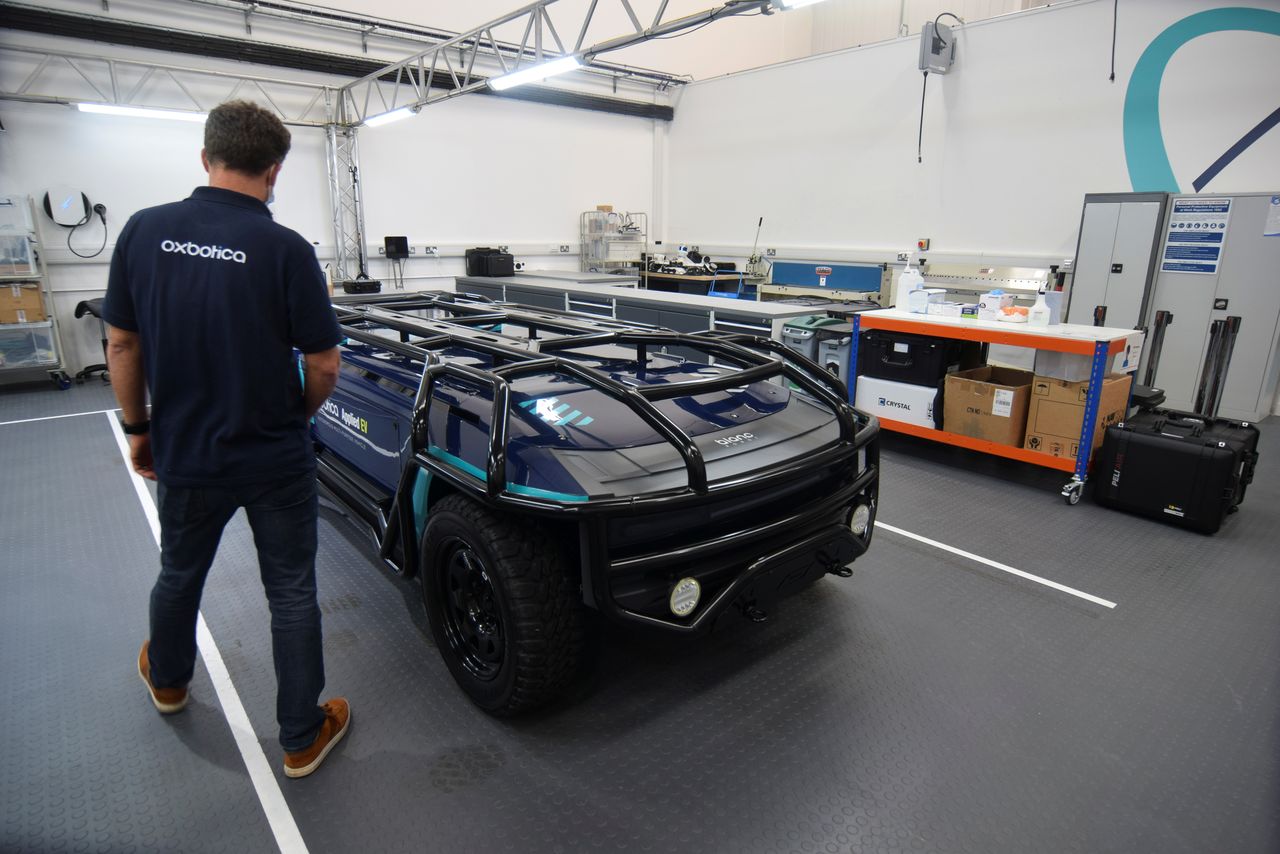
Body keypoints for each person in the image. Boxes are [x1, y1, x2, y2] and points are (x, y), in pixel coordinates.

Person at [103, 99, 349, 779]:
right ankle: (301, 734)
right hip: (274, 456)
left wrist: (140, 429)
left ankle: (171, 681)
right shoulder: (288, 250)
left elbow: (122, 342)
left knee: (180, 572)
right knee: (292, 591)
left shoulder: (143, 232)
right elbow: (325, 362)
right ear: (274, 170)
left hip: (186, 452)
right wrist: (295, 415)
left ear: (205, 157)